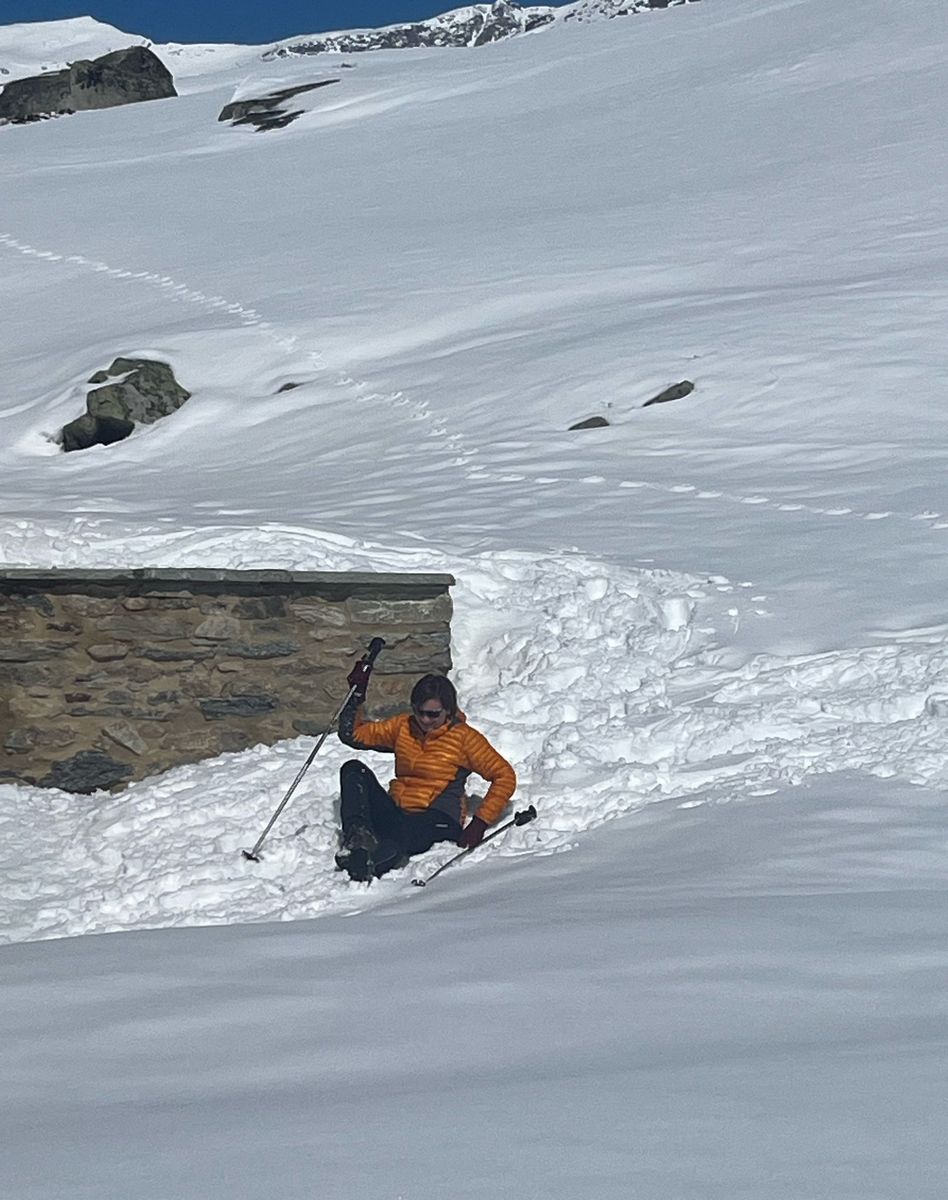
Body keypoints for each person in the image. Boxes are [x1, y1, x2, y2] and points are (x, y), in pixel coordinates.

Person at [334, 662, 517, 882]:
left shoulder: (464, 738)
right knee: (353, 770)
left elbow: (504, 776)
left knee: (402, 831)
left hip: (438, 819)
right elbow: (353, 734)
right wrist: (356, 697)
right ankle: (358, 841)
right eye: (419, 712)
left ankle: (372, 864)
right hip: (399, 812)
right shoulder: (404, 727)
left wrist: (480, 823)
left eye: (433, 714)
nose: (425, 720)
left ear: (448, 711)